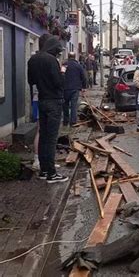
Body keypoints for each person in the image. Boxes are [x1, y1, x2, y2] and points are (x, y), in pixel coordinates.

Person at [27, 35, 68, 183]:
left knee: (43, 136)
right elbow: (59, 83)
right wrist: (62, 71)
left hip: (41, 100)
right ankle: (52, 173)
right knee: (51, 138)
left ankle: (44, 170)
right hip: (53, 101)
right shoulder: (52, 61)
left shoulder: (33, 59)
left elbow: (31, 81)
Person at [63, 52, 87, 127]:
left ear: (68, 56)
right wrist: (83, 87)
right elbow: (83, 77)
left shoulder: (64, 65)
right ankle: (73, 121)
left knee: (65, 105)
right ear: (75, 57)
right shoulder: (78, 66)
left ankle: (65, 121)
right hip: (75, 89)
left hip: (65, 88)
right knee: (74, 105)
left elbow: (61, 75)